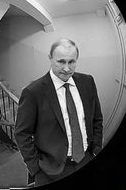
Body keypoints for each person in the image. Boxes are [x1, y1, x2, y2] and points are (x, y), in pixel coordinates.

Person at [14, 38, 103, 187]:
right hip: (51, 170)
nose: (67, 68)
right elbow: (21, 133)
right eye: (61, 62)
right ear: (50, 58)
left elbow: (96, 119)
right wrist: (35, 168)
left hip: (85, 159)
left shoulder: (87, 82)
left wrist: (96, 149)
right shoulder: (33, 92)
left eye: (72, 62)